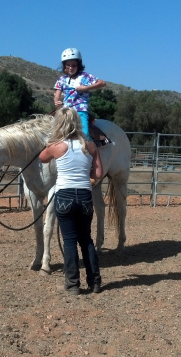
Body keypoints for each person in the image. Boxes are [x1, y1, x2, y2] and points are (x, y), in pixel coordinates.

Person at [38, 107, 104, 295]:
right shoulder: (90, 146)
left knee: (69, 240)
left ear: (59, 123)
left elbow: (42, 158)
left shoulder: (56, 146)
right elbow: (98, 173)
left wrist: (51, 140)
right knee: (86, 239)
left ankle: (73, 284)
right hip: (84, 195)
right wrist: (86, 173)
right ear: (77, 123)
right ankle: (95, 282)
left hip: (64, 195)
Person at [53, 47, 106, 140]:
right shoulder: (62, 79)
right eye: (68, 65)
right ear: (64, 66)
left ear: (79, 65)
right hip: (66, 110)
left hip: (80, 108)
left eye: (73, 65)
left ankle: (90, 152)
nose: (70, 68)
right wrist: (57, 101)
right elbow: (57, 94)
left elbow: (102, 83)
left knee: (84, 134)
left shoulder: (85, 76)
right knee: (54, 132)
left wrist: (86, 88)